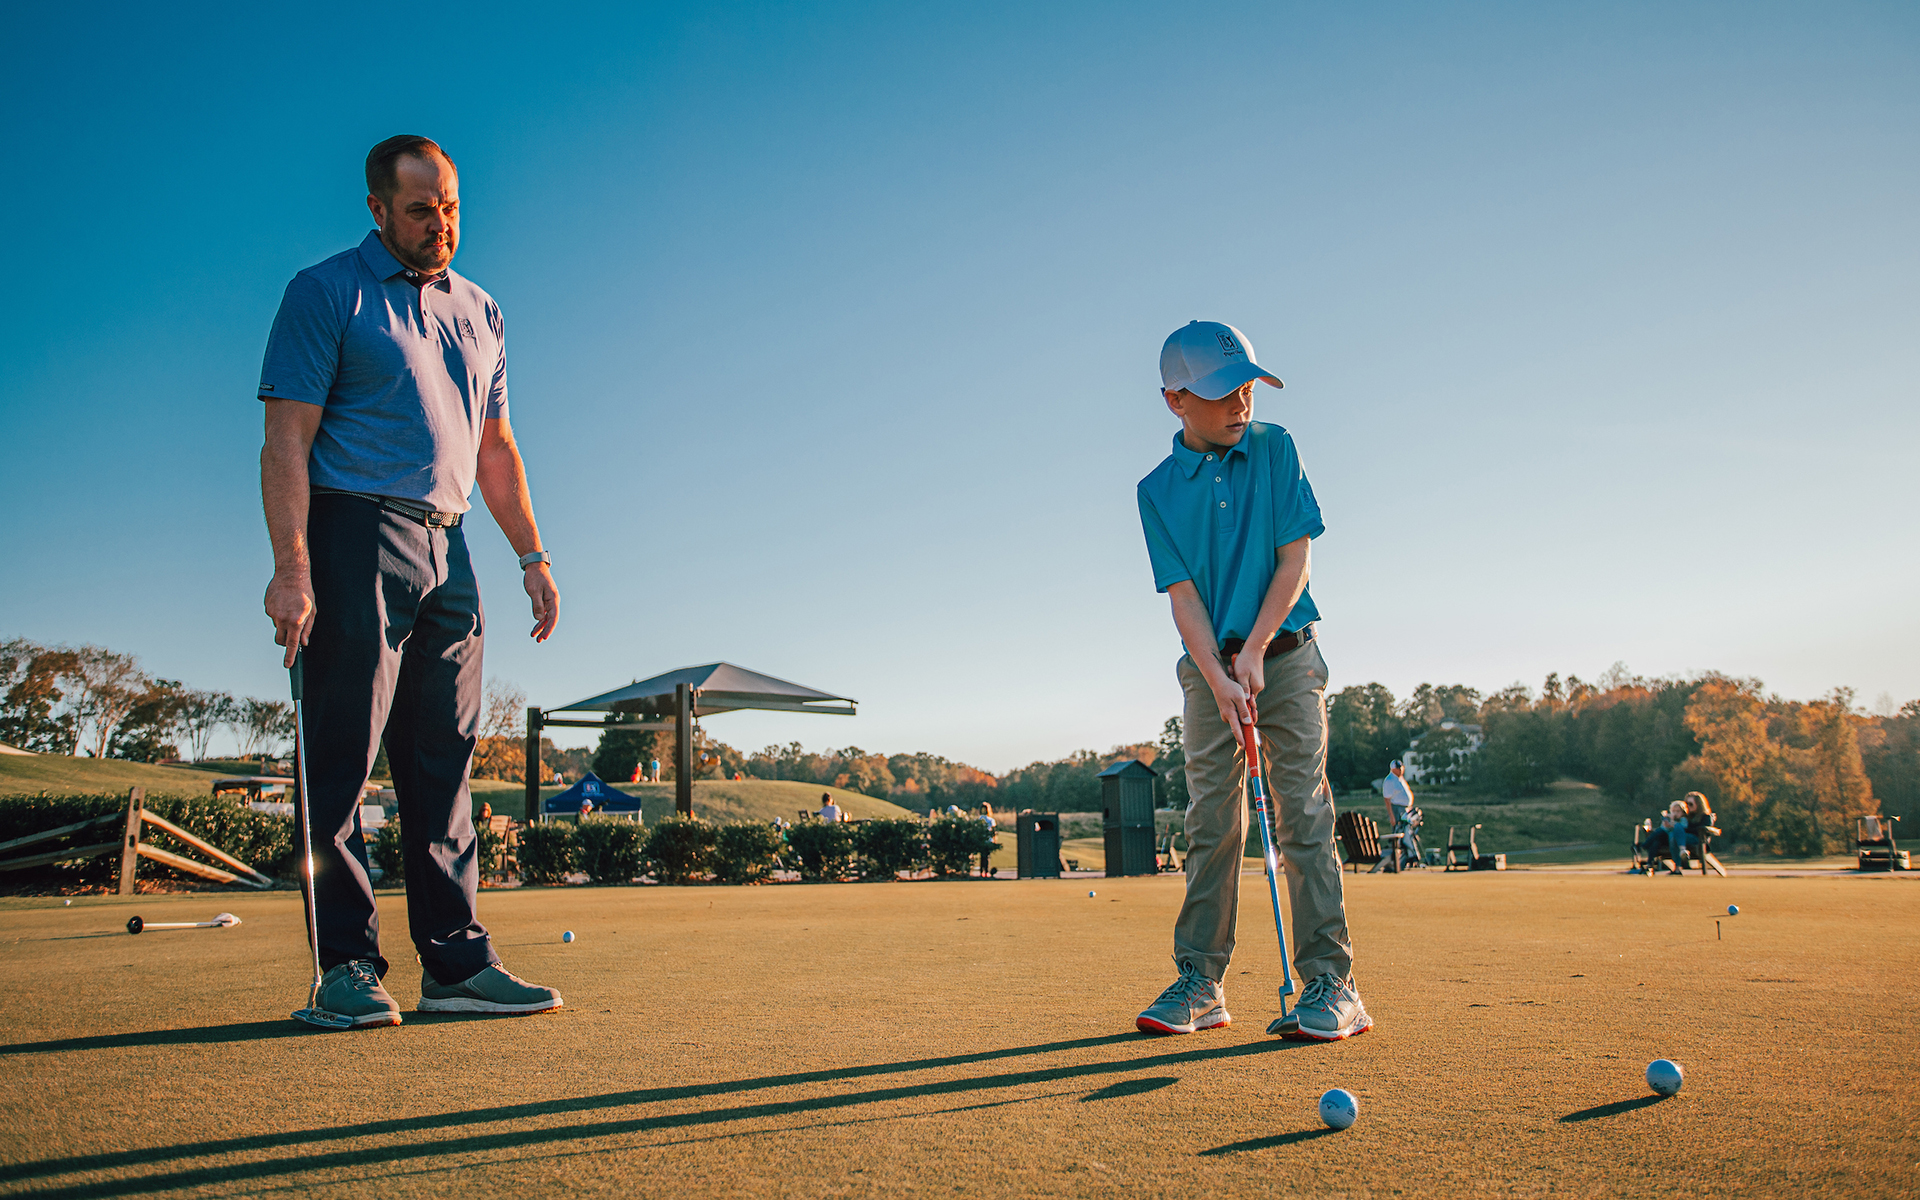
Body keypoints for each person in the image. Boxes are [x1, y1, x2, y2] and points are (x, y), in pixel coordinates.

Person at [260, 134, 563, 1028]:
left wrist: (533, 557)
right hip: (353, 531)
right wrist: (293, 567)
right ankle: (346, 969)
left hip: (451, 543)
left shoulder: (482, 310)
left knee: (444, 762)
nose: (441, 224)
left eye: (452, 207)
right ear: (378, 209)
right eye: (422, 209)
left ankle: (456, 966)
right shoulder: (326, 291)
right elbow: (286, 440)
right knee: (341, 762)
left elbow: (495, 446)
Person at [1132, 321, 1367, 1042]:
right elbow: (1184, 601)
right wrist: (1219, 676)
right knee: (1211, 822)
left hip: (1287, 656)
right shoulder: (1154, 491)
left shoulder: (1275, 448)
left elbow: (1295, 560)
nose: (1240, 403)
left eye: (1247, 388)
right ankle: (1201, 983)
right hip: (1209, 668)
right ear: (1175, 400)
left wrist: (1257, 651)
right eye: (1220, 392)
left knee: (1302, 814)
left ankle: (1333, 985)